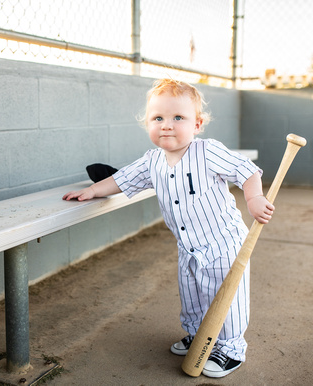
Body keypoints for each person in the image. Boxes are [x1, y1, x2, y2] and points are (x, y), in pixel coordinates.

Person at [63, 78, 274, 378]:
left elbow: (246, 170)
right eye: (158, 118)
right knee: (192, 293)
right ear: (147, 123)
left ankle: (230, 349)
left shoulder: (207, 151)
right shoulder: (152, 161)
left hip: (224, 243)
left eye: (178, 118)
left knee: (227, 294)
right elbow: (122, 179)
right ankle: (198, 336)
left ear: (197, 124)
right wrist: (94, 191)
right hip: (188, 246)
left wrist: (253, 198)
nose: (166, 125)